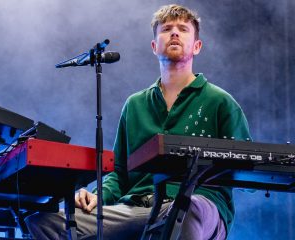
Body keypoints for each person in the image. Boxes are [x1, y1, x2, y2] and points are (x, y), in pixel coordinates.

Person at [26, 4, 251, 240]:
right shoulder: (134, 105)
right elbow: (119, 173)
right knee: (44, 223)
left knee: (186, 209)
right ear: (154, 46)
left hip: (199, 204)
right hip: (137, 208)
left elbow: (244, 171)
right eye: (166, 29)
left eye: (183, 29)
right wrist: (98, 196)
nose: (174, 33)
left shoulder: (221, 102)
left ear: (197, 46)